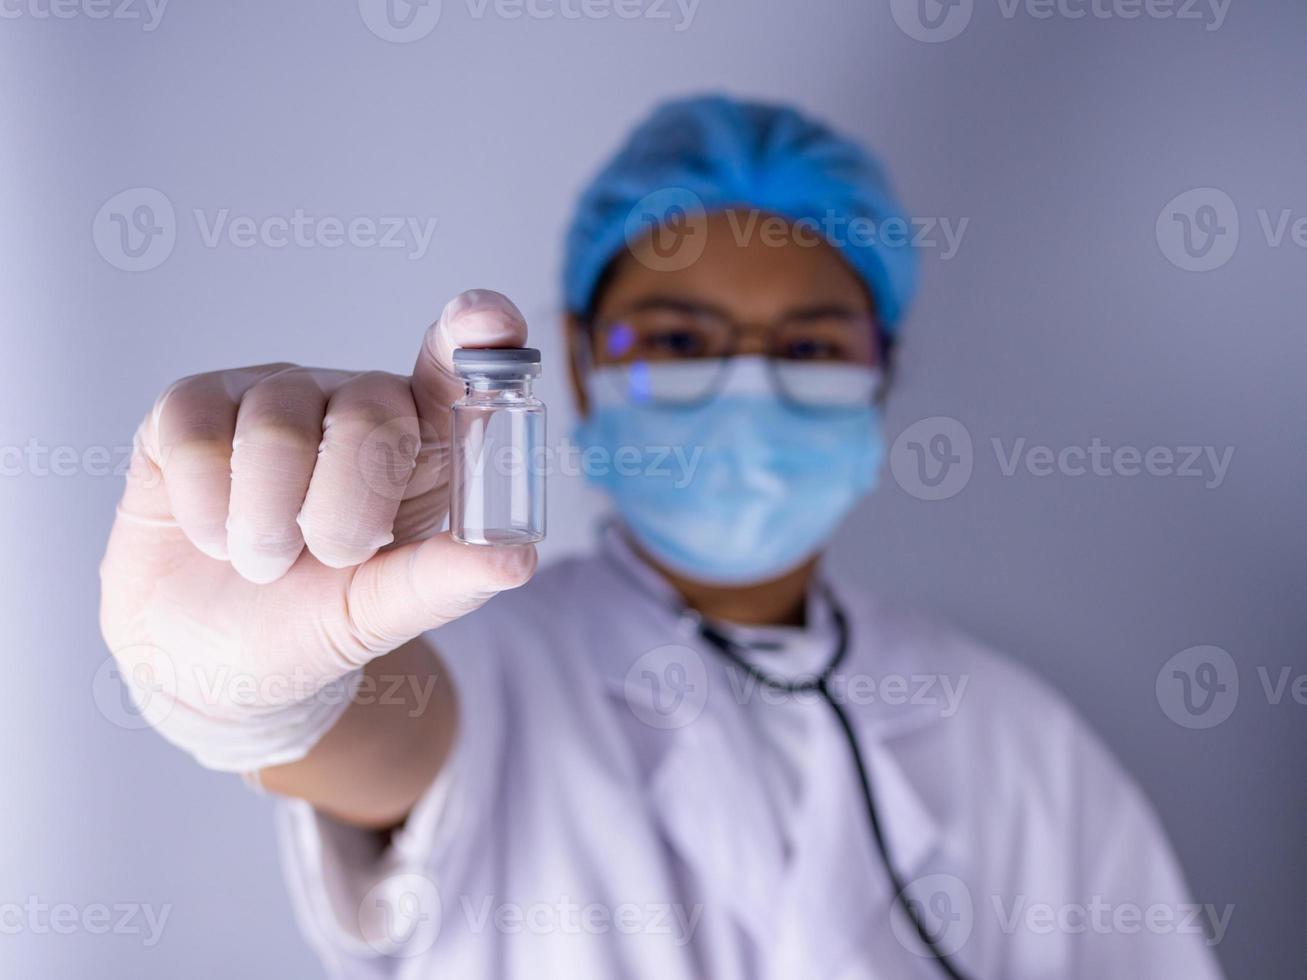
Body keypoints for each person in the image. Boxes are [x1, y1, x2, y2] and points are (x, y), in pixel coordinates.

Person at [98, 95, 1225, 979]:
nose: (745, 385)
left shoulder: (1017, 739)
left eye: (808, 346)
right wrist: (253, 697)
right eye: (679, 337)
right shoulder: (489, 658)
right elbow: (377, 738)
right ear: (580, 361)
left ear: (881, 373)